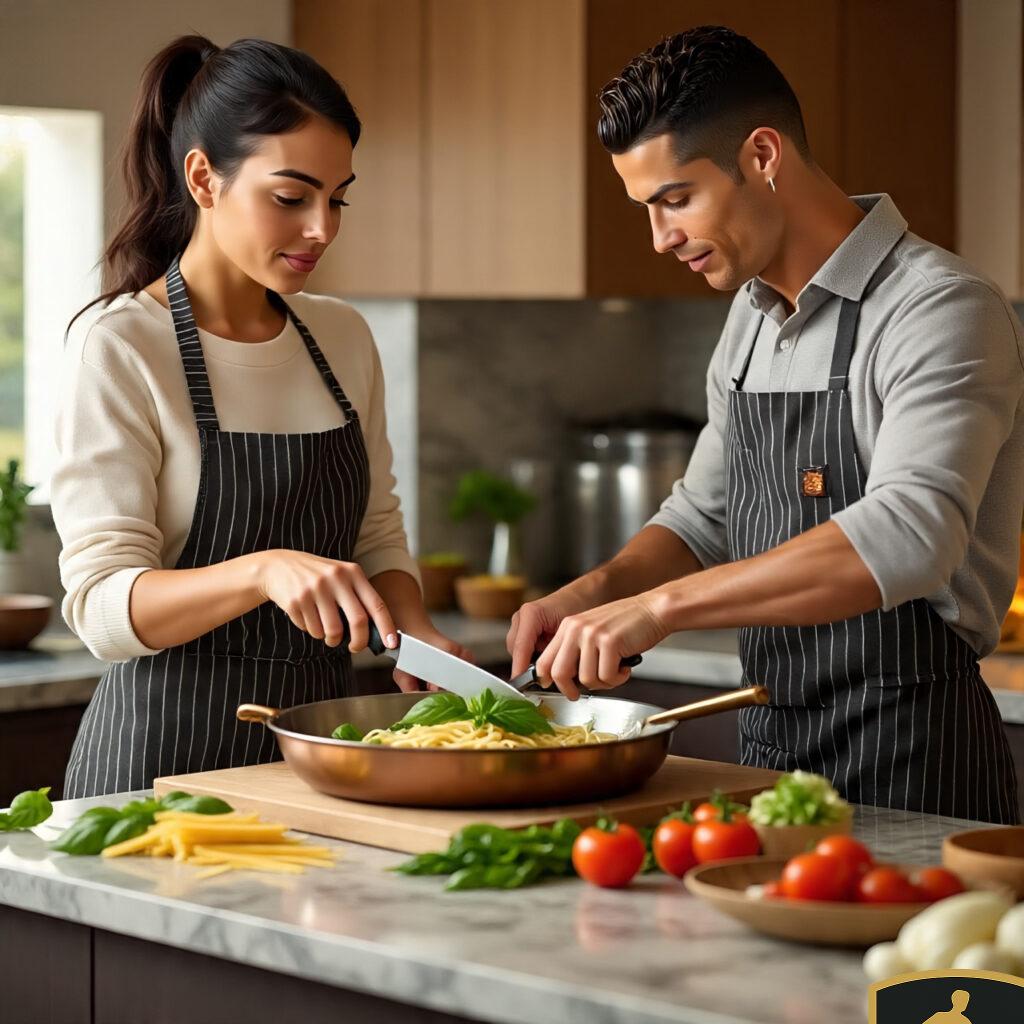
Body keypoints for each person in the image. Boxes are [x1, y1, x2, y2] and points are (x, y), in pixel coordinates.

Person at [507, 25, 1022, 823]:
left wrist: (662, 609)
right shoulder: (747, 319)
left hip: (914, 761)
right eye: (648, 209)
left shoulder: (938, 307)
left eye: (676, 200)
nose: (660, 237)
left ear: (761, 156)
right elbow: (704, 517)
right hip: (771, 760)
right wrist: (594, 594)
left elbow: (910, 535)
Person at [55, 36, 465, 798]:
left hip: (321, 763)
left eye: (337, 197)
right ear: (204, 178)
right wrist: (263, 571)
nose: (323, 228)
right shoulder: (122, 344)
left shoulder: (343, 335)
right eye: (291, 197)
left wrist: (417, 635)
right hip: (155, 779)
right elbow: (102, 610)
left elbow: (376, 531)